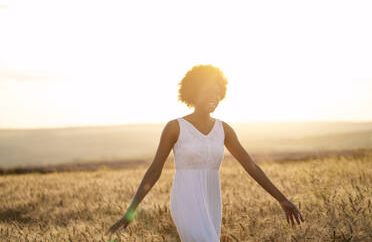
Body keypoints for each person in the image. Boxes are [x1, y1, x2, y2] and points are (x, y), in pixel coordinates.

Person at [105, 64, 305, 240]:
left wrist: (282, 199)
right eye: (209, 92)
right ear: (193, 92)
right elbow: (154, 170)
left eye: (218, 93)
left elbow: (250, 166)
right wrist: (130, 211)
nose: (215, 98)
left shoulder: (224, 130)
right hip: (186, 201)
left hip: (211, 204)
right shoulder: (175, 127)